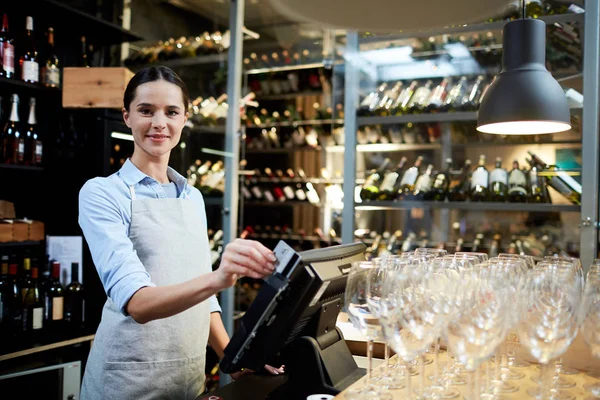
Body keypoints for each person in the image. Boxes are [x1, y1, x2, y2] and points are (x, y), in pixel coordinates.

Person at [78, 65, 283, 399]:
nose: (160, 123)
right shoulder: (102, 193)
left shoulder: (192, 197)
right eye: (146, 111)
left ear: (185, 118)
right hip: (127, 382)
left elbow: (201, 291)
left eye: (171, 112)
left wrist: (231, 358)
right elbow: (138, 304)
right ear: (126, 116)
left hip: (187, 379)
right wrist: (219, 277)